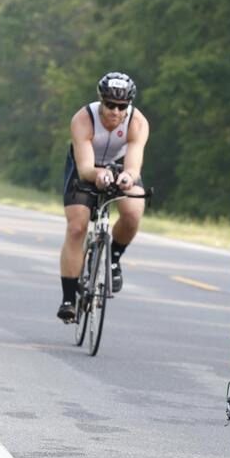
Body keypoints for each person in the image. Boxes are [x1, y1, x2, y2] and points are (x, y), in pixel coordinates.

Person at [57, 71, 149, 322]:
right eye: (109, 104)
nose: (115, 112)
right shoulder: (83, 119)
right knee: (77, 227)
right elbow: (86, 168)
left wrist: (128, 177)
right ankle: (68, 298)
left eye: (122, 106)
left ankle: (113, 259)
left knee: (133, 212)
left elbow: (133, 165)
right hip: (86, 166)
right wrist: (98, 175)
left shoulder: (137, 122)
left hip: (119, 167)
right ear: (101, 101)